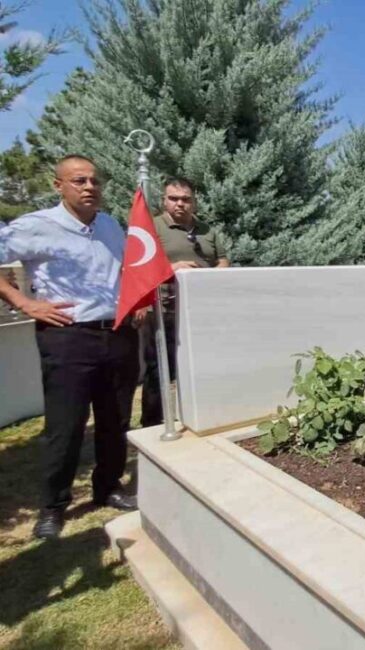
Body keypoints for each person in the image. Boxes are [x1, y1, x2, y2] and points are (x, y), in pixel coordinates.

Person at [0, 155, 140, 540]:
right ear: (57, 185)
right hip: (68, 337)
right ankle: (53, 506)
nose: (89, 186)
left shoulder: (110, 226)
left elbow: (131, 268)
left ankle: (108, 487)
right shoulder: (36, 226)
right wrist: (25, 303)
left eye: (95, 180)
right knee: (66, 426)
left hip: (116, 333)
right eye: (79, 180)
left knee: (115, 419)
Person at [140, 177, 230, 428]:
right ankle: (152, 425)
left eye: (186, 199)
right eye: (174, 199)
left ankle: (200, 417)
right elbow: (138, 267)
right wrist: (173, 268)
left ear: (194, 202)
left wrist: (217, 272)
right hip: (164, 310)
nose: (180, 204)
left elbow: (221, 259)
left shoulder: (206, 230)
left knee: (202, 368)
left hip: (201, 313)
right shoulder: (152, 228)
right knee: (158, 371)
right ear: (164, 201)